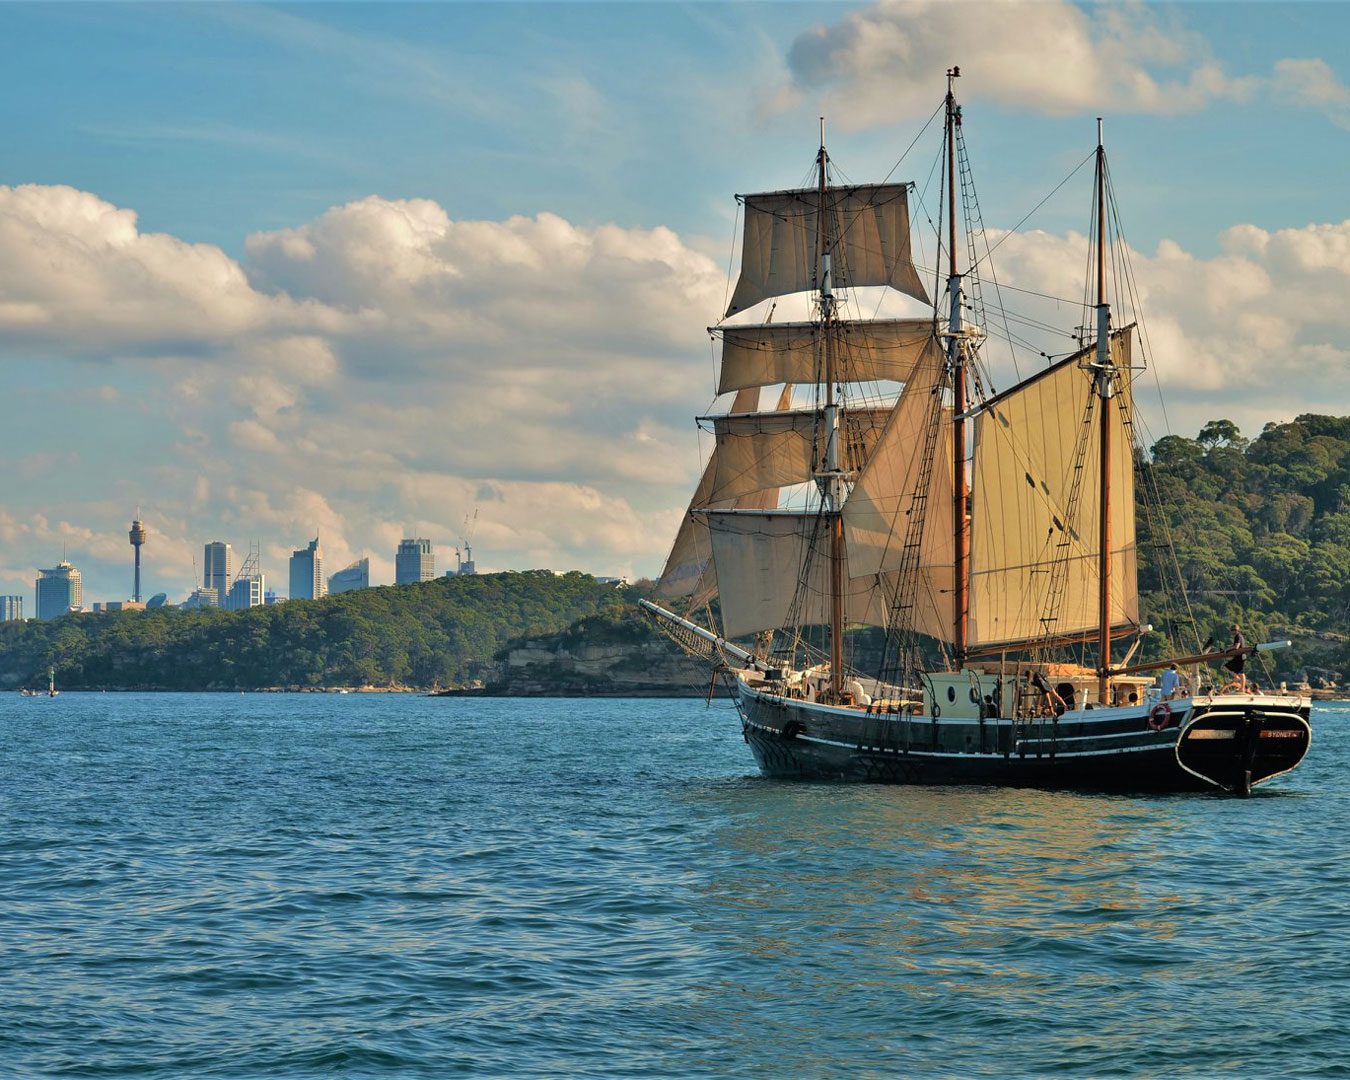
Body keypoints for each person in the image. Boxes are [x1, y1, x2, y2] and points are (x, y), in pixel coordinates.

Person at [1224, 623, 1247, 690]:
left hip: (1239, 657)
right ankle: (1242, 687)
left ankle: (1237, 678)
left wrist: (1227, 649)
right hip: (1241, 656)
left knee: (1226, 666)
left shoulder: (1237, 636)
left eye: (1232, 631)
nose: (1231, 632)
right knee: (1241, 672)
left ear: (1235, 630)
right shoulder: (1240, 636)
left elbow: (1236, 646)